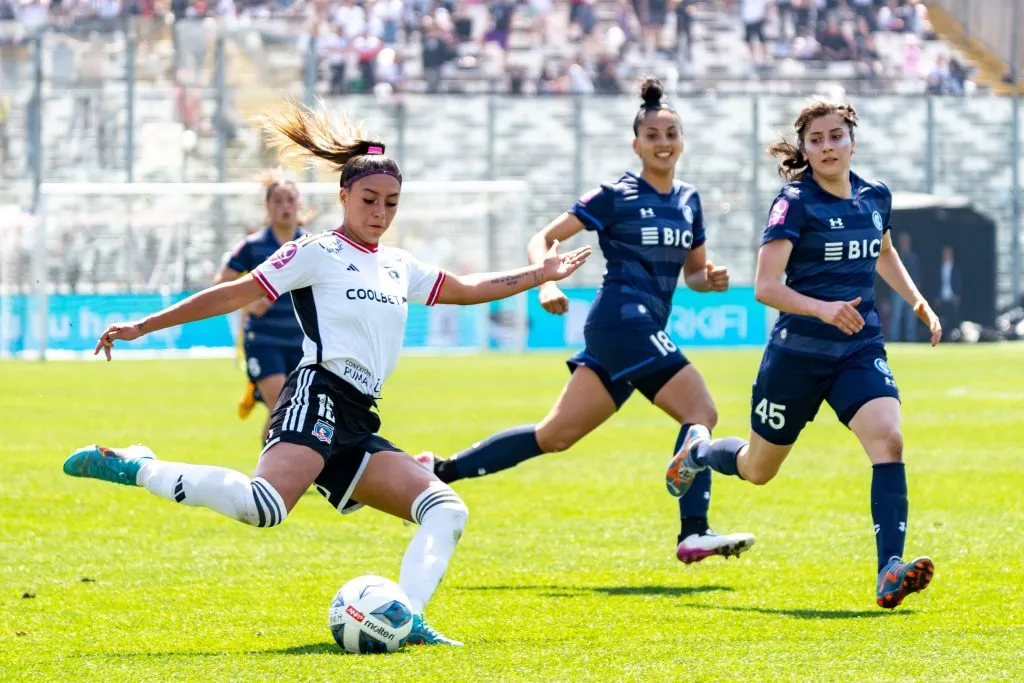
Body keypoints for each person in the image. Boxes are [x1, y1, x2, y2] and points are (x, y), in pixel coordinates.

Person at [62, 103, 592, 647]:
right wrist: (145, 324)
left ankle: (407, 618)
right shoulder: (316, 252)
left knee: (445, 509)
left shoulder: (399, 264)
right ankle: (140, 465)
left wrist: (540, 273)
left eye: (391, 202)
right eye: (369, 200)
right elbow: (234, 293)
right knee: (264, 508)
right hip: (318, 392)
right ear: (343, 197)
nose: (380, 212)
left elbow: (467, 288)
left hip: (359, 416)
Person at [417, 77, 755, 565]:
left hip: (634, 330)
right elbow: (542, 238)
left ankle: (439, 470)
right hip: (622, 319)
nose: (663, 143)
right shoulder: (615, 195)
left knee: (554, 436)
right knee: (700, 411)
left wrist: (711, 280)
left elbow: (695, 275)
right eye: (653, 135)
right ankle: (694, 532)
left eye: (671, 134)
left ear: (683, 141)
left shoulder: (690, 201)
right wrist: (546, 283)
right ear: (636, 144)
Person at [664, 98, 943, 609]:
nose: (828, 147)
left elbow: (883, 251)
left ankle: (889, 569)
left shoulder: (875, 195)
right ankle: (699, 452)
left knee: (889, 440)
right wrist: (823, 309)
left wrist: (917, 301)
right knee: (757, 469)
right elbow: (766, 286)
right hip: (797, 356)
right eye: (816, 140)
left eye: (836, 136)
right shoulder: (794, 203)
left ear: (852, 140)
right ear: (805, 149)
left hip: (858, 348)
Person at [214, 174, 307, 439]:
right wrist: (247, 304)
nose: (285, 206)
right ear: (267, 207)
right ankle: (273, 467)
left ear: (299, 204)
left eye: (290, 200)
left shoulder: (311, 245)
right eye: (278, 201)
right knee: (283, 408)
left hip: (304, 343)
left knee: (293, 413)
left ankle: (271, 463)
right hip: (264, 340)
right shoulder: (252, 246)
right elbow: (220, 285)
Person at [888, 232, 919, 342]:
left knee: (911, 317)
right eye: (902, 240)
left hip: (911, 292)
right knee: (896, 317)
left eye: (906, 240)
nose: (904, 243)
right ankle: (893, 340)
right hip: (898, 291)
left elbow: (917, 275)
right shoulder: (895, 256)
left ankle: (911, 341)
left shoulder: (913, 257)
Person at [936, 245, 961, 333]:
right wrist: (937, 297)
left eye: (947, 253)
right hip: (942, 298)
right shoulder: (939, 268)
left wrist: (957, 295)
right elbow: (936, 283)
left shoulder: (956, 268)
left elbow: (959, 282)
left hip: (952, 297)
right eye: (944, 253)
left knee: (953, 320)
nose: (946, 255)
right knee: (941, 321)